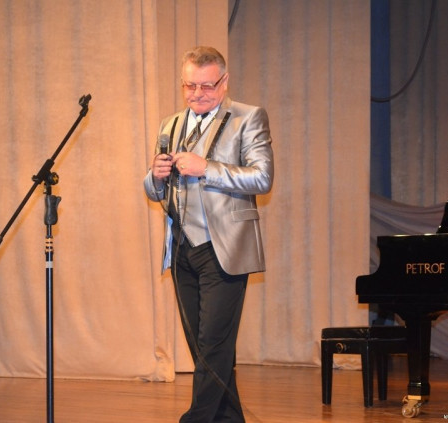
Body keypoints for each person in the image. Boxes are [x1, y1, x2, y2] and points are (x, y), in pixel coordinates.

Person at [144, 46, 274, 423]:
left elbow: (263, 178)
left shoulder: (248, 118)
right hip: (181, 249)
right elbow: (154, 191)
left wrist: (207, 168)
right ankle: (230, 419)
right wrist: (155, 176)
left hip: (224, 249)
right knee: (204, 349)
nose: (198, 94)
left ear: (224, 81)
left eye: (207, 86)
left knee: (213, 344)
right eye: (190, 86)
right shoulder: (169, 125)